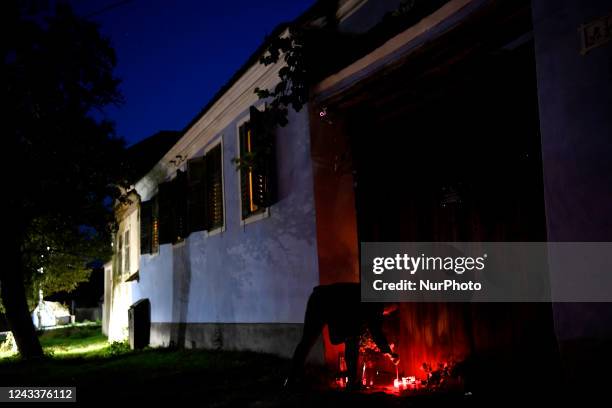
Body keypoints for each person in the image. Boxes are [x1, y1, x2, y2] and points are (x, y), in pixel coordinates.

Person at [286, 282, 399, 390]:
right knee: (352, 338)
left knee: (308, 341)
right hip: (327, 302)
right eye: (389, 311)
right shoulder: (373, 302)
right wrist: (389, 352)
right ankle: (351, 383)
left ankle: (291, 380)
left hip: (319, 298)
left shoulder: (370, 295)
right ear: (386, 303)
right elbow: (376, 332)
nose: (386, 314)